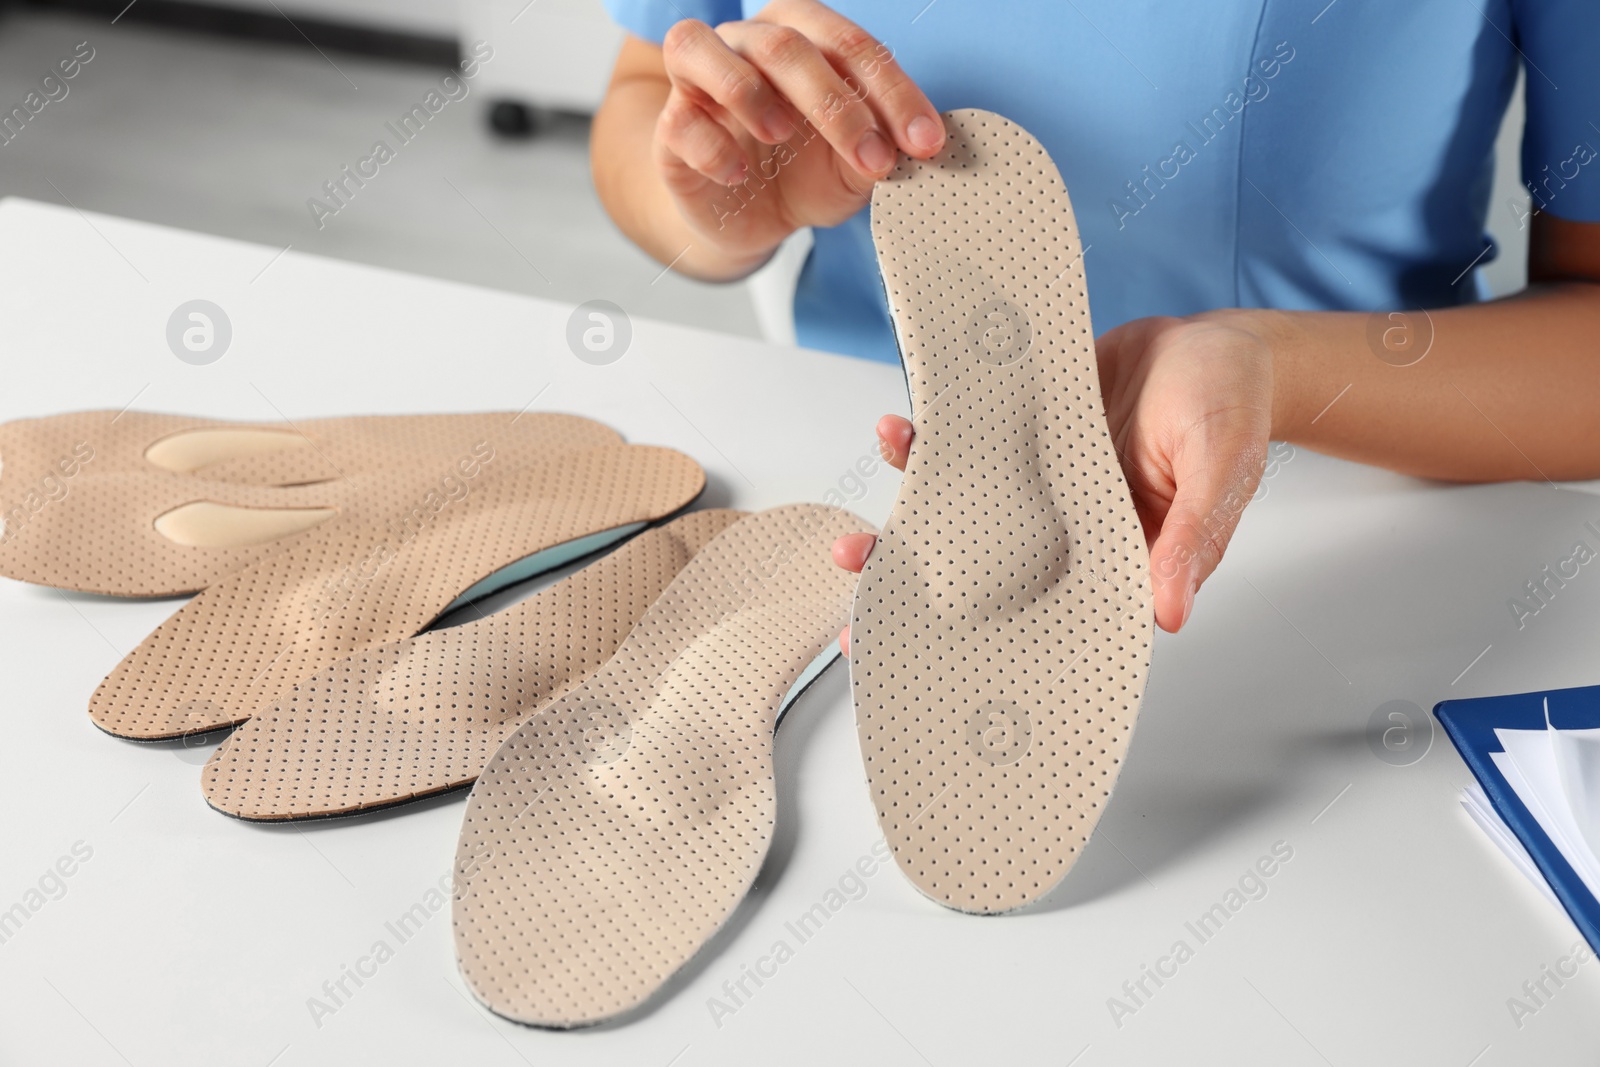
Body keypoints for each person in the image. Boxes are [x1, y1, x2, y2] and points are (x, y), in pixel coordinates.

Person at [590, 0, 1600, 640]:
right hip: (856, 496)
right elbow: (642, 91)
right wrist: (718, 196)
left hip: (1342, 514)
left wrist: (1271, 364)